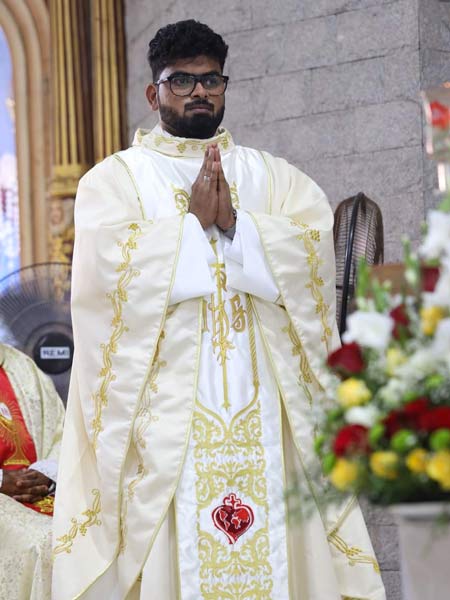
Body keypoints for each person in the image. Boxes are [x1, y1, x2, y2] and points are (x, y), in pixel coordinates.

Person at [53, 19, 386, 600]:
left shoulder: (272, 176)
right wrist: (189, 227)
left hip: (264, 410)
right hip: (169, 418)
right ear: (154, 93)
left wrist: (237, 224)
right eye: (181, 81)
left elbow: (313, 252)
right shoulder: (114, 181)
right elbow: (104, 280)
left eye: (211, 80)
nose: (199, 92)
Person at [0, 341, 65, 599]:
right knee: (48, 543)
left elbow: (62, 431)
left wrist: (47, 473)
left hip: (42, 492)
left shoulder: (23, 367)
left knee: (99, 528)